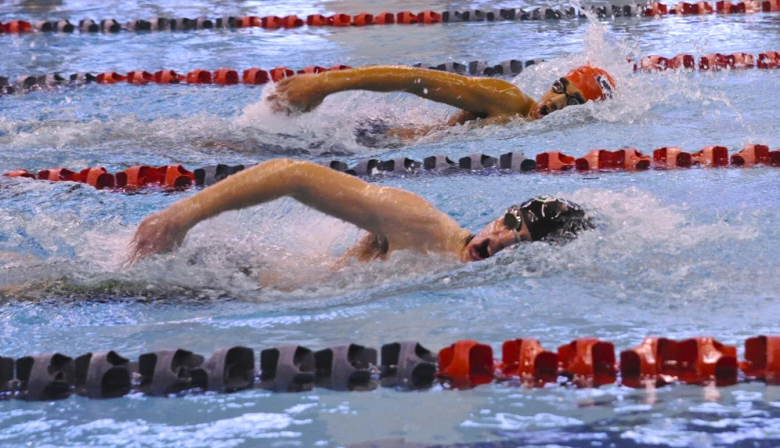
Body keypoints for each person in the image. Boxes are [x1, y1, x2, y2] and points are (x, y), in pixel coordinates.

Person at [129, 159, 591, 265]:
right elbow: (294, 175)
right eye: (509, 224)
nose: (499, 240)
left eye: (521, 242)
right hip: (223, 281)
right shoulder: (422, 226)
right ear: (499, 215)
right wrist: (178, 217)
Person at [266, 64, 615, 137]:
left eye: (573, 101)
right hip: (371, 139)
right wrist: (325, 84)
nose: (556, 101)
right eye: (559, 87)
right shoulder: (506, 99)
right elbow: (413, 79)